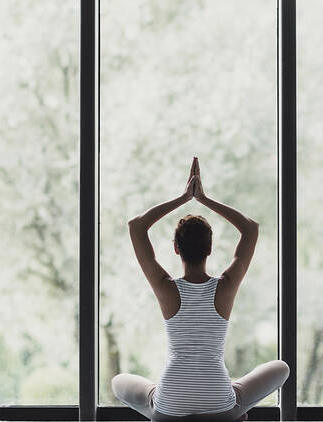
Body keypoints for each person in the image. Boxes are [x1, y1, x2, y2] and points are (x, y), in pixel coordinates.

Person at [113, 156, 289, 421]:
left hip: (169, 407)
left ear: (175, 249)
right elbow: (250, 229)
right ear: (210, 248)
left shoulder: (166, 289)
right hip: (219, 404)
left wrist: (184, 198)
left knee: (119, 382)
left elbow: (136, 227)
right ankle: (231, 407)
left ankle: (161, 406)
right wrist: (204, 199)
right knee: (281, 368)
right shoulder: (226, 287)